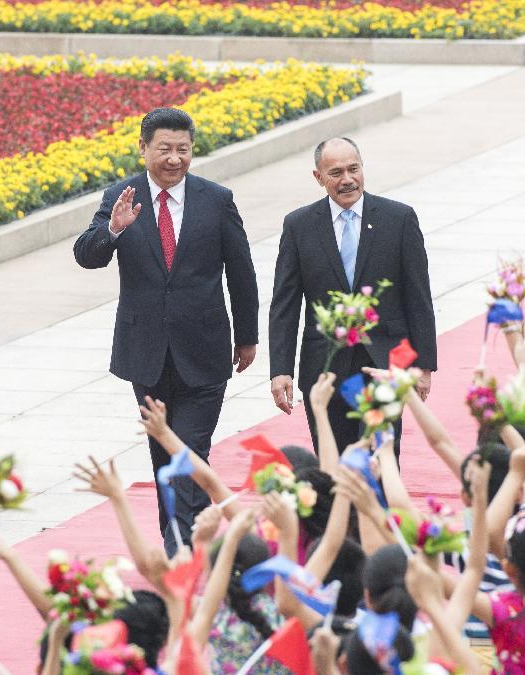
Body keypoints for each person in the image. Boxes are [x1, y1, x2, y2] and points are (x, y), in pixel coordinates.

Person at [73, 107, 259, 554]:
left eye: (183, 150)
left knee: (190, 448)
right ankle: (178, 539)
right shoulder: (121, 196)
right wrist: (114, 230)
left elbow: (241, 270)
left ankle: (185, 545)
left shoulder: (216, 199)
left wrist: (248, 335)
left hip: (206, 348)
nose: (174, 159)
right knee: (163, 454)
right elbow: (86, 254)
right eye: (165, 149)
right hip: (147, 353)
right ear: (143, 149)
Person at [269, 137, 437, 457]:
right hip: (325, 365)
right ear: (318, 177)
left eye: (353, 169)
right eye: (336, 173)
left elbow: (419, 296)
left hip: (386, 363)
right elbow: (284, 305)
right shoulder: (299, 226)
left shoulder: (398, 219)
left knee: (379, 455)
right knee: (334, 461)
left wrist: (424, 365)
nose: (347, 180)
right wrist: (281, 370)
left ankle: (379, 508)